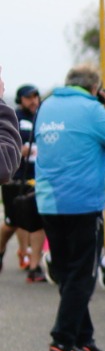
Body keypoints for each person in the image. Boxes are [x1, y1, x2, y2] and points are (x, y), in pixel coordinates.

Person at [34, 65, 105, 351]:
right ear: (96, 88)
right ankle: (61, 339)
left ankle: (84, 337)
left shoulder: (47, 105)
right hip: (83, 204)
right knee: (83, 274)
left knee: (69, 273)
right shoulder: (93, 110)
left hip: (49, 203)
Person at [1, 81, 45, 282]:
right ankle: (3, 250)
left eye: (35, 96)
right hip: (15, 178)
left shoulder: (43, 117)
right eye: (29, 97)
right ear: (21, 100)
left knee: (38, 222)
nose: (33, 101)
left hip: (37, 178)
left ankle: (34, 266)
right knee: (12, 223)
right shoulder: (13, 117)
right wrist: (18, 151)